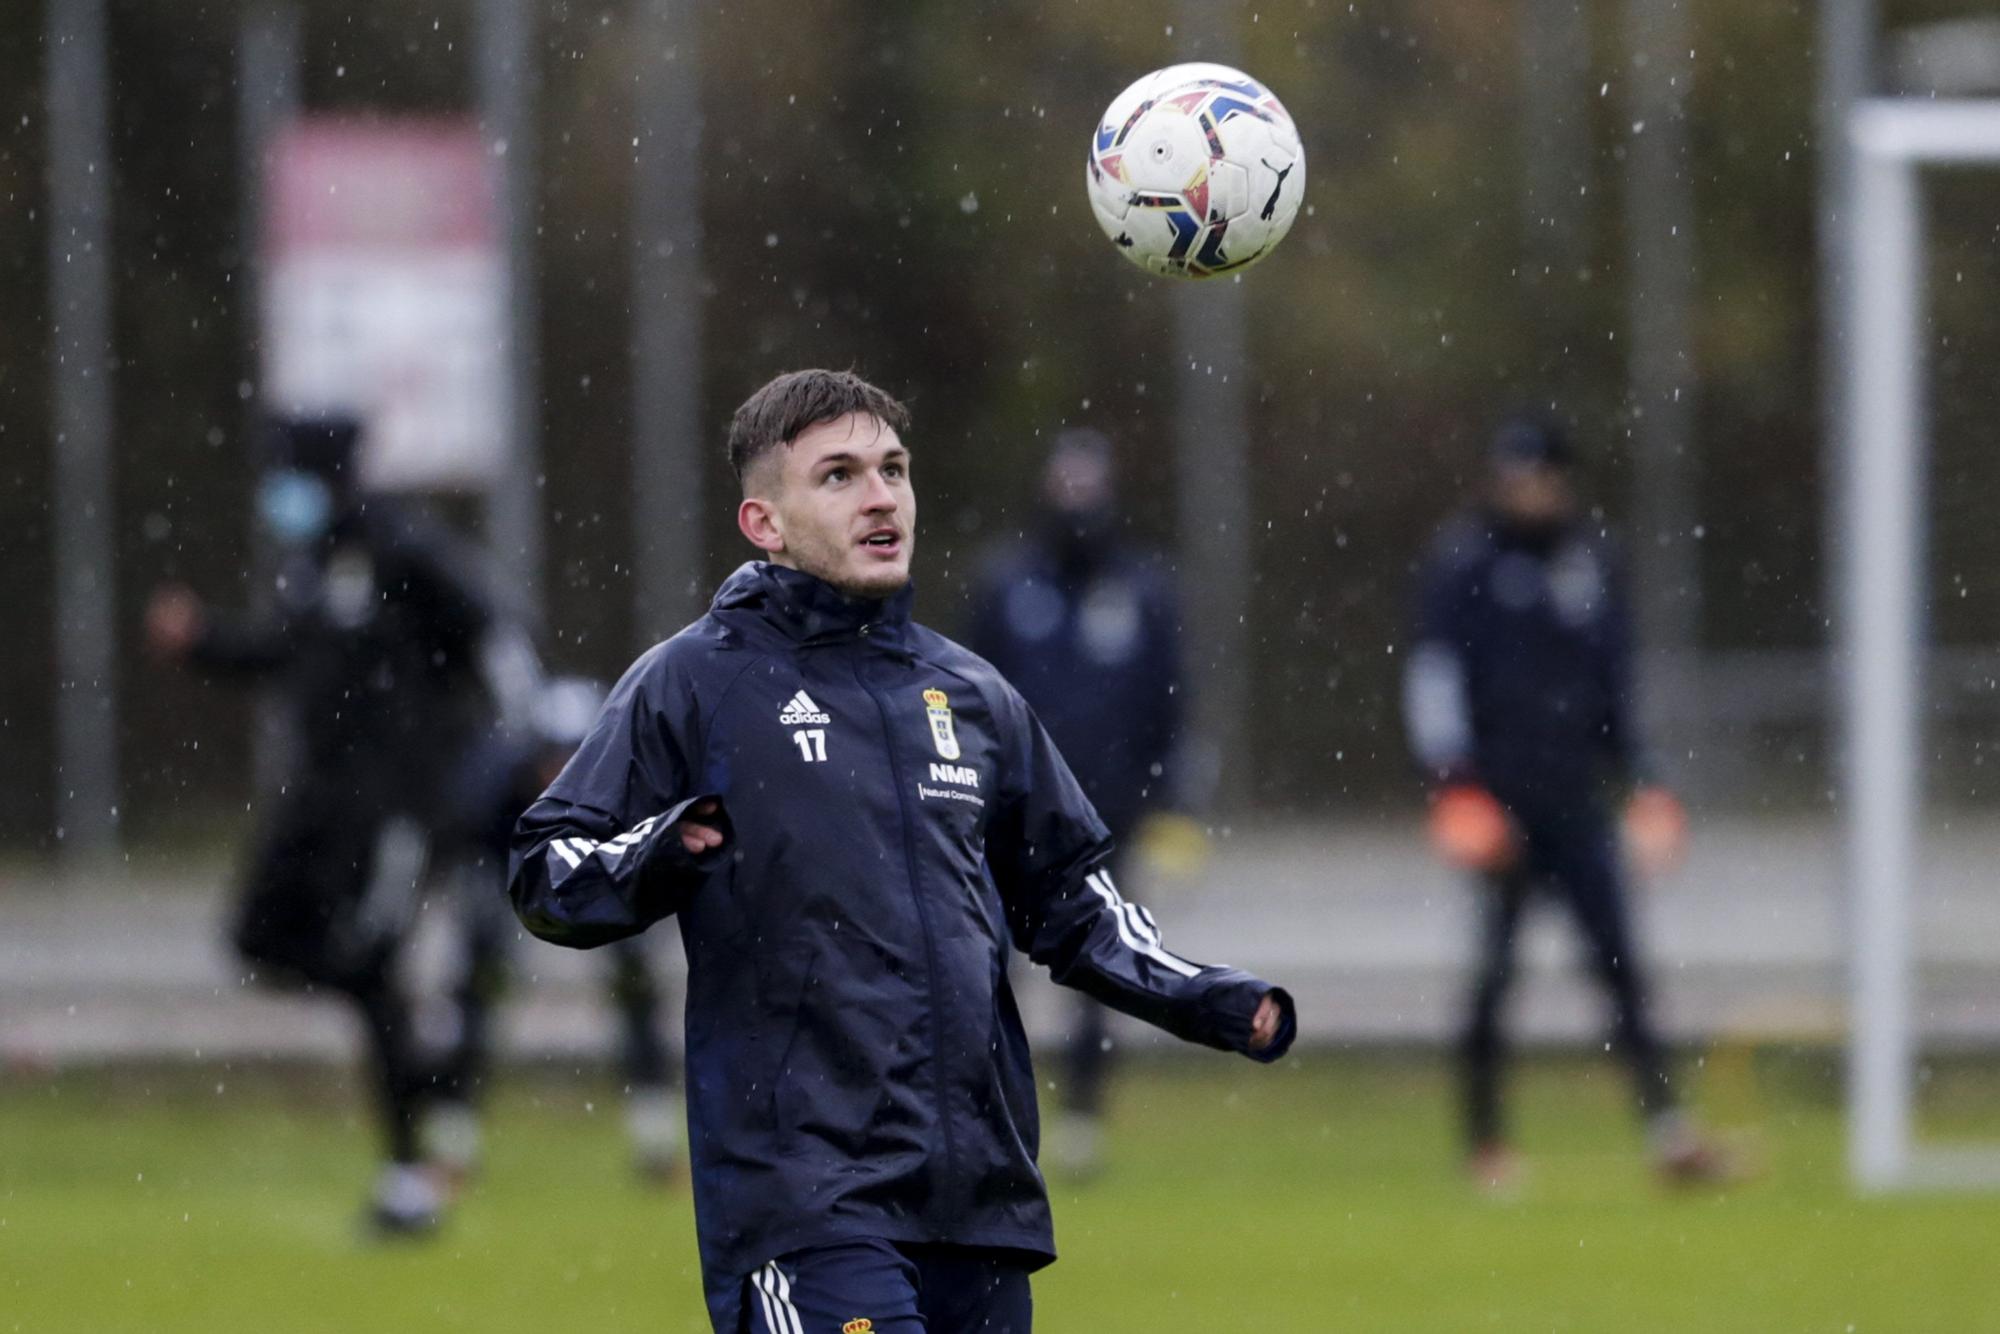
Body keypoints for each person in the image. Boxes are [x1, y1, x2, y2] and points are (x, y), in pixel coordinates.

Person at [508, 369, 1295, 1333]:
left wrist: (1211, 996)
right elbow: (545, 868)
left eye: (893, 468)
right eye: (838, 476)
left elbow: (1073, 900)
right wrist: (655, 853)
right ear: (765, 522)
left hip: (977, 1198)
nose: (881, 496)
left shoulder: (972, 694)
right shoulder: (694, 682)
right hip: (802, 1201)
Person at [145, 413, 537, 1234]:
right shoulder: (314, 562)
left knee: (376, 952)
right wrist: (202, 643)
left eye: (288, 475)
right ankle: (408, 1028)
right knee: (259, 938)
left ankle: (411, 1181)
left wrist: (517, 750)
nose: (276, 494)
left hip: (397, 804)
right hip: (317, 799)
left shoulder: (405, 549)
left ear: (326, 477)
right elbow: (285, 653)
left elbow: (497, 633)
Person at [1402, 411, 1723, 1192]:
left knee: (1620, 967)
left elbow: (1616, 687)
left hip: (1576, 799)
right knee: (1494, 975)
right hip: (1501, 804)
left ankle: (1666, 1129)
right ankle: (1485, 1145)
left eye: (1542, 476)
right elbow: (1433, 679)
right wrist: (1456, 786)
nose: (1531, 492)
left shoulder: (1592, 559)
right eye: (1516, 477)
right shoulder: (1464, 562)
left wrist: (1646, 781)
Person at [967, 428, 1189, 1178]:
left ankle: (1084, 1122)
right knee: (987, 963)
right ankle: (985, 1117)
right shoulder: (1008, 584)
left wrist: (1164, 796)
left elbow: (1171, 703)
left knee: (1100, 963)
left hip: (1102, 818)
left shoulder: (1143, 589)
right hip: (1010, 815)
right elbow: (966, 695)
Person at [424, 676, 683, 1184]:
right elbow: (460, 840)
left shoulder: (630, 781)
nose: (560, 772)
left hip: (604, 865)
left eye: (575, 755)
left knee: (638, 991)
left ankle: (656, 1141)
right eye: (552, 755)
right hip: (507, 870)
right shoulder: (492, 784)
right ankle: (453, 1142)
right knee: (474, 994)